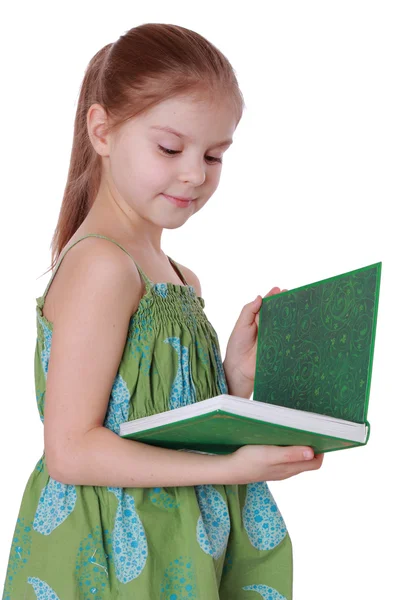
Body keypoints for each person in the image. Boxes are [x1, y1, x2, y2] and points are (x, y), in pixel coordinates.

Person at [2, 23, 323, 600]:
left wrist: (232, 380)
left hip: (180, 539)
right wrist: (231, 469)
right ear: (102, 131)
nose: (195, 173)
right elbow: (70, 450)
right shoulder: (103, 266)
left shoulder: (180, 279)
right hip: (107, 554)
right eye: (171, 148)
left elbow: (154, 420)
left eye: (215, 155)